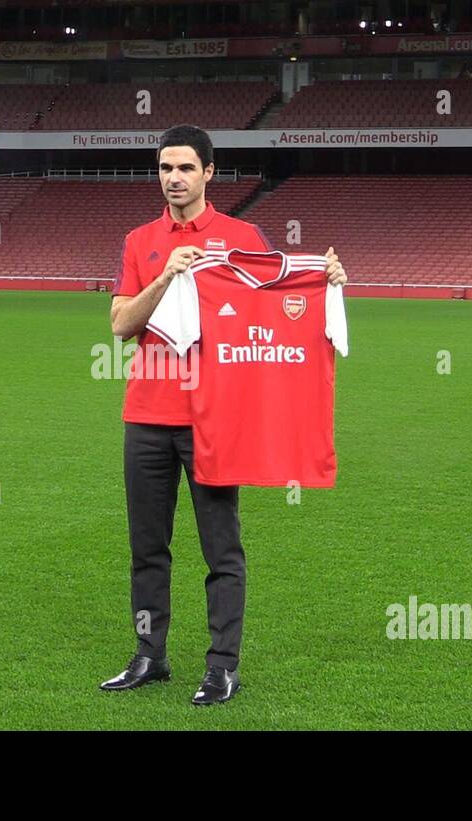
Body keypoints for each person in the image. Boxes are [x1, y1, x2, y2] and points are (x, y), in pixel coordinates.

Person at [101, 124, 348, 705]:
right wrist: (167, 274)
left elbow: (278, 303)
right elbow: (120, 325)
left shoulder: (242, 236)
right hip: (147, 412)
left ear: (209, 173)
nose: (174, 178)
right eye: (165, 168)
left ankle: (222, 666)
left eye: (186, 168)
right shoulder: (141, 241)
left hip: (215, 417)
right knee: (147, 547)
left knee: (221, 547)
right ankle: (149, 656)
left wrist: (327, 280)